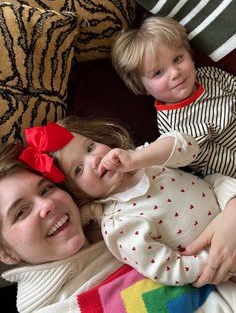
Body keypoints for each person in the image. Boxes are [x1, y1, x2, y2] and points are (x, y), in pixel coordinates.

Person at [2, 143, 236, 313]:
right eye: (21, 212)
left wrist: (232, 211)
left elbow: (201, 182)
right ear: (6, 254)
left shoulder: (117, 205)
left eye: (46, 189)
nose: (47, 204)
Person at [19, 117, 236, 289]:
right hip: (223, 261)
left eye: (90, 147)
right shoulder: (119, 223)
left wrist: (139, 158)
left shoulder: (143, 159)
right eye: (78, 169)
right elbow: (167, 269)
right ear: (77, 194)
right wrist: (214, 260)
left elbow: (189, 147)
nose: (93, 160)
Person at [111, 15, 236, 179]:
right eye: (158, 73)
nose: (175, 73)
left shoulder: (209, 75)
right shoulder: (171, 127)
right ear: (143, 88)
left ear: (190, 55)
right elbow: (212, 160)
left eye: (177, 59)